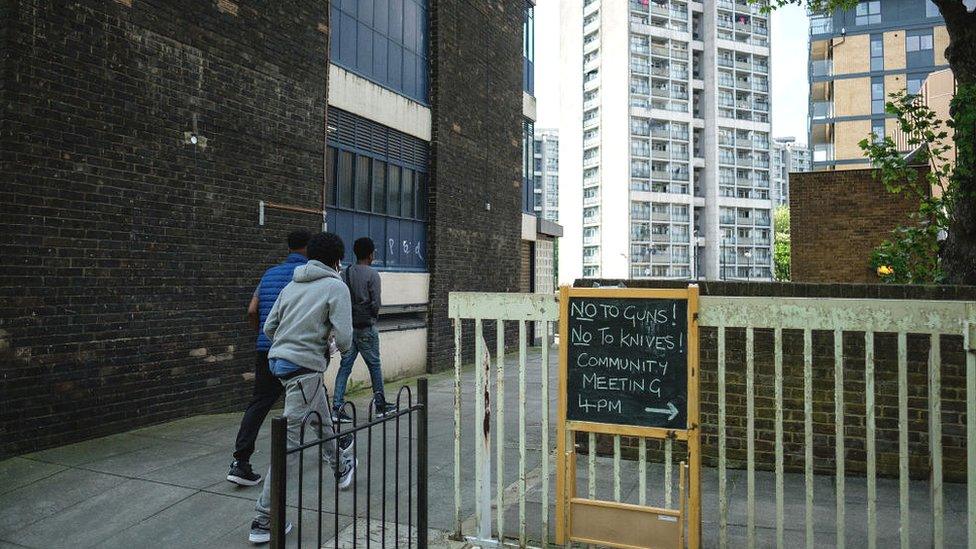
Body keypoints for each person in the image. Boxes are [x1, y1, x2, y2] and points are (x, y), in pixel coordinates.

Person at [249, 232, 356, 544]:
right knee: (289, 447)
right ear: (337, 260)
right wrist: (327, 342)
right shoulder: (336, 286)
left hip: (278, 362)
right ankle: (264, 519)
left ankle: (340, 466)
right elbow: (346, 339)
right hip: (303, 368)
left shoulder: (293, 283)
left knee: (321, 420)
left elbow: (269, 327)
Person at [227, 230, 310, 486]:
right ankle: (339, 450)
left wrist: (263, 334)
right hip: (297, 350)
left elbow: (252, 309)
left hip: (266, 348)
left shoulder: (269, 274)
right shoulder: (308, 275)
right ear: (308, 248)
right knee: (312, 399)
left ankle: (240, 462)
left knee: (259, 402)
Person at [332, 237, 394, 423]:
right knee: (374, 366)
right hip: (366, 327)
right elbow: (376, 303)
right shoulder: (372, 275)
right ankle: (380, 406)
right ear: (370, 254)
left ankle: (336, 407)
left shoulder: (345, 273)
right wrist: (372, 317)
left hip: (350, 329)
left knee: (345, 367)